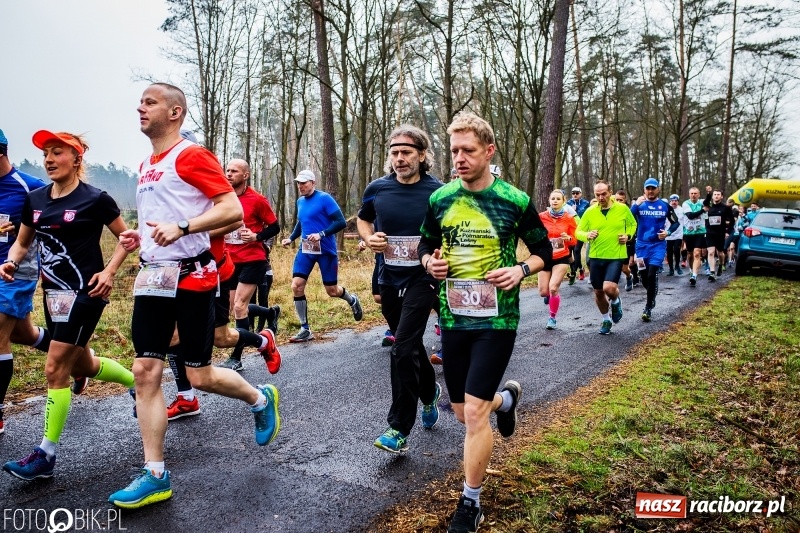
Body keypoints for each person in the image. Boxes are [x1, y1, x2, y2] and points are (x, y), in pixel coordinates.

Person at [108, 82, 280, 509]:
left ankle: (260, 398)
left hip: (193, 279)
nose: (140, 108)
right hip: (153, 278)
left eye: (150, 102)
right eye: (140, 102)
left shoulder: (192, 155)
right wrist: (141, 239)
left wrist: (183, 228)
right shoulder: (148, 163)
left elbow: (231, 210)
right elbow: (161, 220)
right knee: (146, 371)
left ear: (175, 112)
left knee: (200, 375)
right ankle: (155, 475)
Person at [418, 112, 550, 533]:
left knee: (474, 413)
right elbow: (426, 243)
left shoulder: (514, 199)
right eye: (454, 150)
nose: (459, 158)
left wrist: (521, 271)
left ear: (488, 151)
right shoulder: (441, 200)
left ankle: (470, 502)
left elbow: (545, 250)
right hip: (454, 316)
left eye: (468, 150)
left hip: (498, 317)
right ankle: (505, 401)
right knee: (462, 412)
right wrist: (429, 263)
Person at [1, 130, 136, 480]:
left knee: (54, 366)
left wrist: (109, 272)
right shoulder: (35, 200)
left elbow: (127, 238)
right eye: (46, 153)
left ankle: (45, 454)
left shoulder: (96, 199)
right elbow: (21, 243)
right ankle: (134, 381)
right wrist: (12, 261)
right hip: (53, 294)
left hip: (87, 292)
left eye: (57, 152)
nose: (48, 159)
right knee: (84, 363)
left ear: (76, 159)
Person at [357, 125, 443, 453]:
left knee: (401, 348)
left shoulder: (439, 192)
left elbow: (452, 229)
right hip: (389, 277)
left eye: (406, 152)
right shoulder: (377, 189)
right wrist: (369, 238)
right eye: (394, 152)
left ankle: (398, 428)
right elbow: (363, 219)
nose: (399, 158)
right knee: (409, 344)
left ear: (422, 155)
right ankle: (430, 391)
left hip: (424, 278)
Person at [0, 128, 53, 436]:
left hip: (15, 272)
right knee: (24, 333)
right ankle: (74, 360)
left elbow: (56, 221)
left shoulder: (29, 188)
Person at [281, 169, 362, 342]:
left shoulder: (324, 198)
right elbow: (301, 223)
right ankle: (305, 328)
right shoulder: (300, 201)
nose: (300, 186)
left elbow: (340, 222)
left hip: (325, 251)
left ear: (313, 183)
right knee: (296, 286)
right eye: (298, 183)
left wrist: (322, 234)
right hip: (306, 250)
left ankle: (352, 299)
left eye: (304, 182)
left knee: (332, 291)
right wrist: (291, 238)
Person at [218, 158, 281, 370]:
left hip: (253, 259)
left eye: (234, 171)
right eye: (227, 170)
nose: (228, 174)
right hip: (230, 261)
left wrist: (256, 237)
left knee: (239, 307)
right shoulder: (222, 198)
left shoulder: (257, 200)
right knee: (233, 305)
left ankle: (236, 358)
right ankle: (269, 313)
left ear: (245, 175)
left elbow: (275, 227)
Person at [576, 181, 637, 335]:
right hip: (596, 256)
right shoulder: (590, 212)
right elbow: (578, 232)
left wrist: (627, 235)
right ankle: (606, 319)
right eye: (598, 195)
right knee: (598, 292)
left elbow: (632, 224)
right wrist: (587, 235)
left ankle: (616, 301)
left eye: (604, 193)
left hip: (615, 255)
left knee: (609, 288)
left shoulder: (622, 209)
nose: (601, 197)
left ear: (610, 192)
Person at [630, 179, 680, 321]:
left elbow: (675, 222)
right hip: (641, 246)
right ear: (644, 190)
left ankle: (648, 307)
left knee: (652, 273)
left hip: (658, 245)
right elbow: (627, 217)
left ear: (658, 189)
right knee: (644, 276)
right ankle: (652, 293)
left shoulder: (664, 206)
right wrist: (635, 205)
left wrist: (668, 233)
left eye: (653, 188)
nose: (650, 191)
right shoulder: (639, 205)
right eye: (648, 189)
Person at [538, 190, 577, 330]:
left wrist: (569, 239)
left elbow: (575, 240)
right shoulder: (541, 217)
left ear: (563, 201)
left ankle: (552, 318)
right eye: (552, 198)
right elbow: (533, 233)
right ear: (549, 200)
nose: (555, 201)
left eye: (558, 199)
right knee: (544, 291)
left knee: (553, 288)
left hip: (561, 256)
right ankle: (548, 294)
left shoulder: (568, 218)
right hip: (545, 257)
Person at [702, 186, 735, 281]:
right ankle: (712, 272)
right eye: (715, 195)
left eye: (718, 195)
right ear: (713, 197)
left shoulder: (726, 208)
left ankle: (721, 264)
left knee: (720, 253)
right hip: (709, 232)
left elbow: (732, 221)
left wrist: (728, 231)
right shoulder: (709, 206)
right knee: (711, 252)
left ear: (721, 197)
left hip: (720, 233)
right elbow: (705, 202)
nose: (716, 196)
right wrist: (708, 193)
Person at [681, 187, 707, 286]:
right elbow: (690, 216)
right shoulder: (685, 203)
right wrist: (703, 210)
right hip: (688, 232)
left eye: (695, 193)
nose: (693, 195)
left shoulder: (701, 202)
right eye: (691, 193)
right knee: (690, 254)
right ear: (689, 194)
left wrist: (709, 193)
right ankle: (691, 269)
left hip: (700, 232)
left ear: (699, 194)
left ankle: (694, 276)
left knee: (697, 253)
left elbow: (708, 201)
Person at [614, 190, 639, 291]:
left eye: (621, 200)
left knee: (628, 265)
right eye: (617, 200)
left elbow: (635, 226)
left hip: (629, 242)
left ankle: (632, 276)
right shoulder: (611, 211)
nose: (619, 202)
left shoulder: (629, 212)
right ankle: (612, 287)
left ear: (625, 201)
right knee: (617, 266)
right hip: (615, 243)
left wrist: (630, 237)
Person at [566, 186, 590, 283]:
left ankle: (574, 272)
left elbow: (588, 216)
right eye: (573, 193)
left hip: (581, 230)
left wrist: (575, 211)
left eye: (577, 193)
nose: (575, 195)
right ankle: (580, 268)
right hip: (569, 231)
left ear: (581, 194)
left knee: (576, 250)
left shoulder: (586, 203)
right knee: (569, 253)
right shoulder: (568, 203)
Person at [665, 194, 685, 276]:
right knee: (669, 253)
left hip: (678, 234)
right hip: (668, 234)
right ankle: (671, 269)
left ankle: (677, 265)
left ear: (678, 201)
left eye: (675, 201)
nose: (674, 202)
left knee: (676, 250)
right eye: (672, 201)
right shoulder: (666, 209)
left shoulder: (681, 210)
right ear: (670, 201)